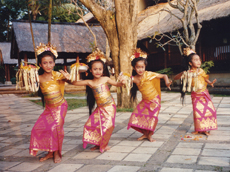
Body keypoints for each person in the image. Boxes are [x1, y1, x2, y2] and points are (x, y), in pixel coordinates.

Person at [60, 49, 125, 153]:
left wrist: (122, 82)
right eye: (95, 69)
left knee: (107, 126)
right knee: (90, 125)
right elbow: (75, 83)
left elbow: (117, 84)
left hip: (109, 106)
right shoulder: (89, 82)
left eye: (100, 69)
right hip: (100, 108)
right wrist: (67, 79)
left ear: (103, 69)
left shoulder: (106, 79)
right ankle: (97, 143)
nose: (98, 71)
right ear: (90, 70)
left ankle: (104, 144)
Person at [29, 43, 68, 163]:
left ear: (54, 63)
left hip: (61, 106)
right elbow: (26, 80)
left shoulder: (58, 75)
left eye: (50, 62)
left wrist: (68, 78)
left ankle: (57, 153)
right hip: (49, 108)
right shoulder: (39, 78)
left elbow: (70, 80)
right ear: (40, 64)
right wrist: (28, 72)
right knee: (38, 129)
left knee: (56, 129)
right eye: (45, 63)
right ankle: (50, 152)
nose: (48, 65)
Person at [127, 48, 172, 142]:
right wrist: (122, 80)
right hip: (145, 101)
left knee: (152, 118)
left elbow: (164, 76)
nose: (140, 69)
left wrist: (167, 82)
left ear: (145, 66)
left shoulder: (149, 74)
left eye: (142, 67)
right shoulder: (134, 78)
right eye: (138, 67)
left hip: (155, 100)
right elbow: (125, 82)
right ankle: (145, 134)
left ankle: (149, 135)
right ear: (134, 68)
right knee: (136, 115)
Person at [174, 48, 217, 135]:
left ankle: (205, 128)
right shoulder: (188, 73)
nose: (199, 61)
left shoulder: (201, 71)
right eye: (196, 60)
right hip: (196, 95)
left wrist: (210, 82)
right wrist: (183, 73)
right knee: (197, 112)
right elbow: (175, 78)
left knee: (208, 110)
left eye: (199, 59)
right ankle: (197, 129)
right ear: (190, 63)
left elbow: (205, 78)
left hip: (204, 94)